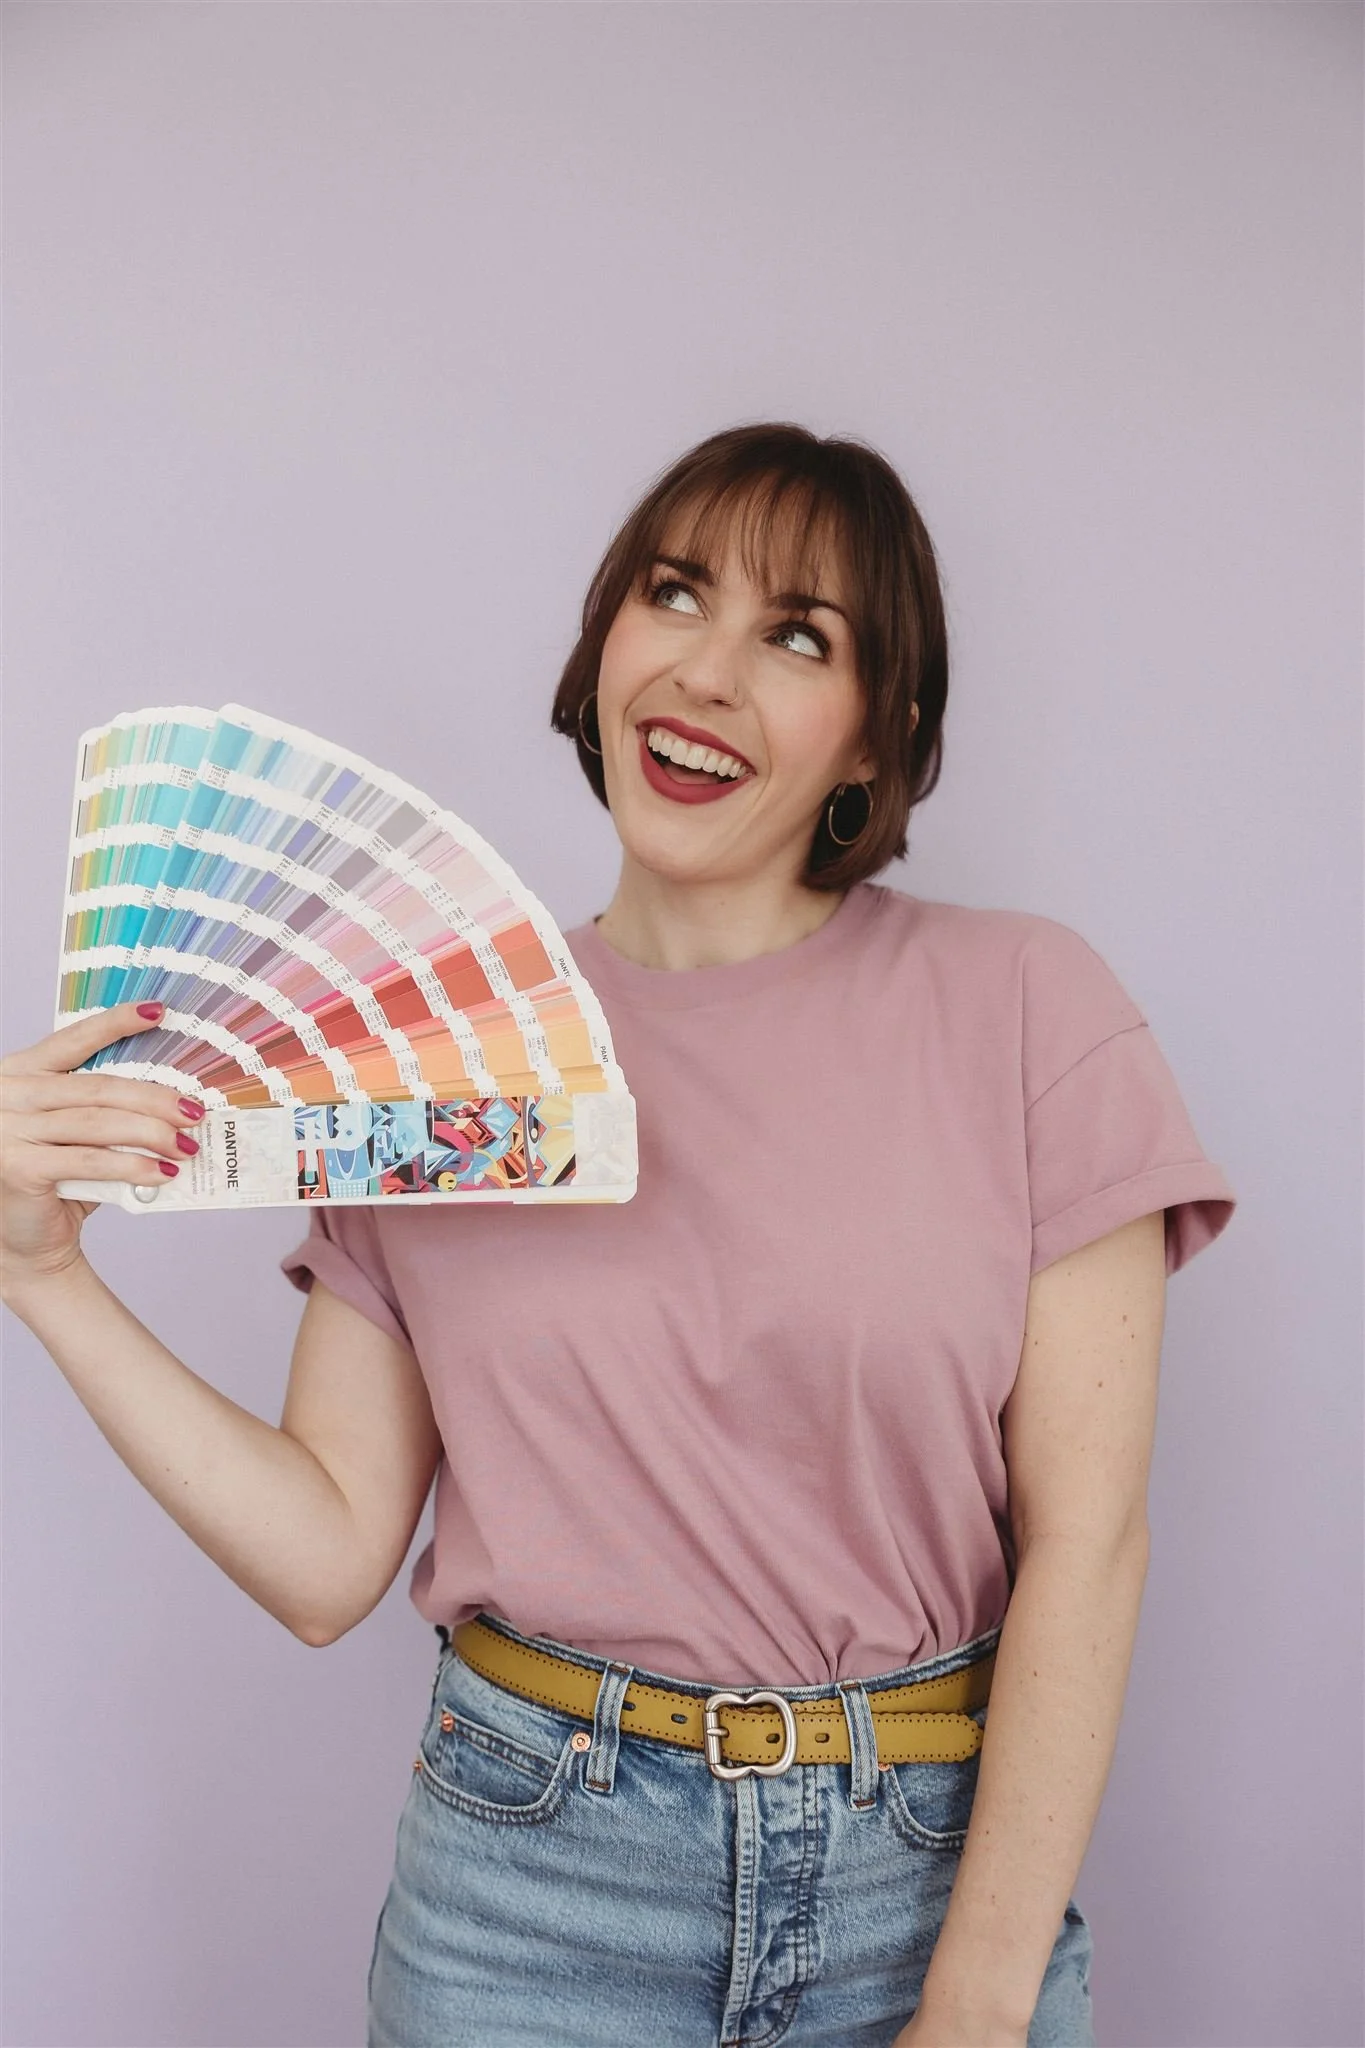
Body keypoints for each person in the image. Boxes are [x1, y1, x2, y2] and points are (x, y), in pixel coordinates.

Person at [1, 422, 1237, 2048]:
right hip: (528, 1895)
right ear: (604, 650)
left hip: (924, 1878)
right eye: (676, 596)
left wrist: (979, 2001)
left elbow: (1091, 1543)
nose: (709, 673)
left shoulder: (1025, 1007)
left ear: (878, 738)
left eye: (800, 637)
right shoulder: (426, 1059)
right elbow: (323, 1560)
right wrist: (42, 1274)